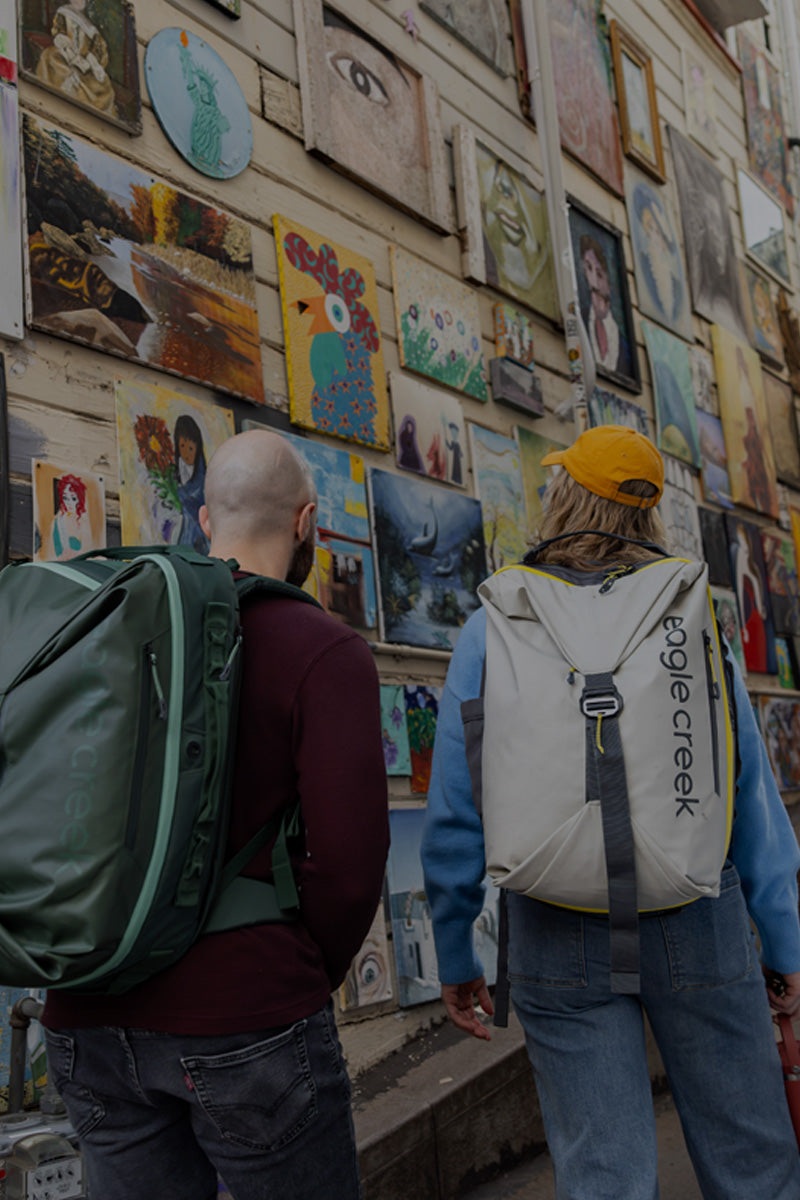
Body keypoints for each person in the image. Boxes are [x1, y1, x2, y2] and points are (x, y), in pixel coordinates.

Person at [422, 425, 800, 1199]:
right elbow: (748, 794)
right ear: (649, 512)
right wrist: (784, 940)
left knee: (604, 1175)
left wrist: (456, 949)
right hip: (694, 909)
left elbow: (460, 807)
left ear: (565, 495)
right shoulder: (692, 618)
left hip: (556, 924)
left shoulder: (494, 622)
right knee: (752, 1159)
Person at [42, 429, 390, 1200]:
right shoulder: (322, 649)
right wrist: (295, 974)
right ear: (305, 524)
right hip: (246, 1014)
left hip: (86, 1007)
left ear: (202, 521)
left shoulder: (109, 626)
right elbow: (350, 860)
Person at [35, 0, 116, 117]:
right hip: (65, 53)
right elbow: (59, 32)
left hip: (84, 63)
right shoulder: (64, 12)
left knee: (104, 84)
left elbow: (98, 50)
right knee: (50, 56)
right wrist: (68, 52)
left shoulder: (91, 27)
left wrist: (90, 61)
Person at [578, 234, 630, 376]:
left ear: (611, 284)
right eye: (589, 268)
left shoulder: (624, 346)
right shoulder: (579, 321)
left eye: (600, 274)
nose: (593, 282)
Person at [173, 413, 209, 554]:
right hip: (185, 533)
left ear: (198, 448)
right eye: (182, 446)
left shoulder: (203, 478)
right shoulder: (175, 473)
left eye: (190, 448)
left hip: (201, 536)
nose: (186, 453)